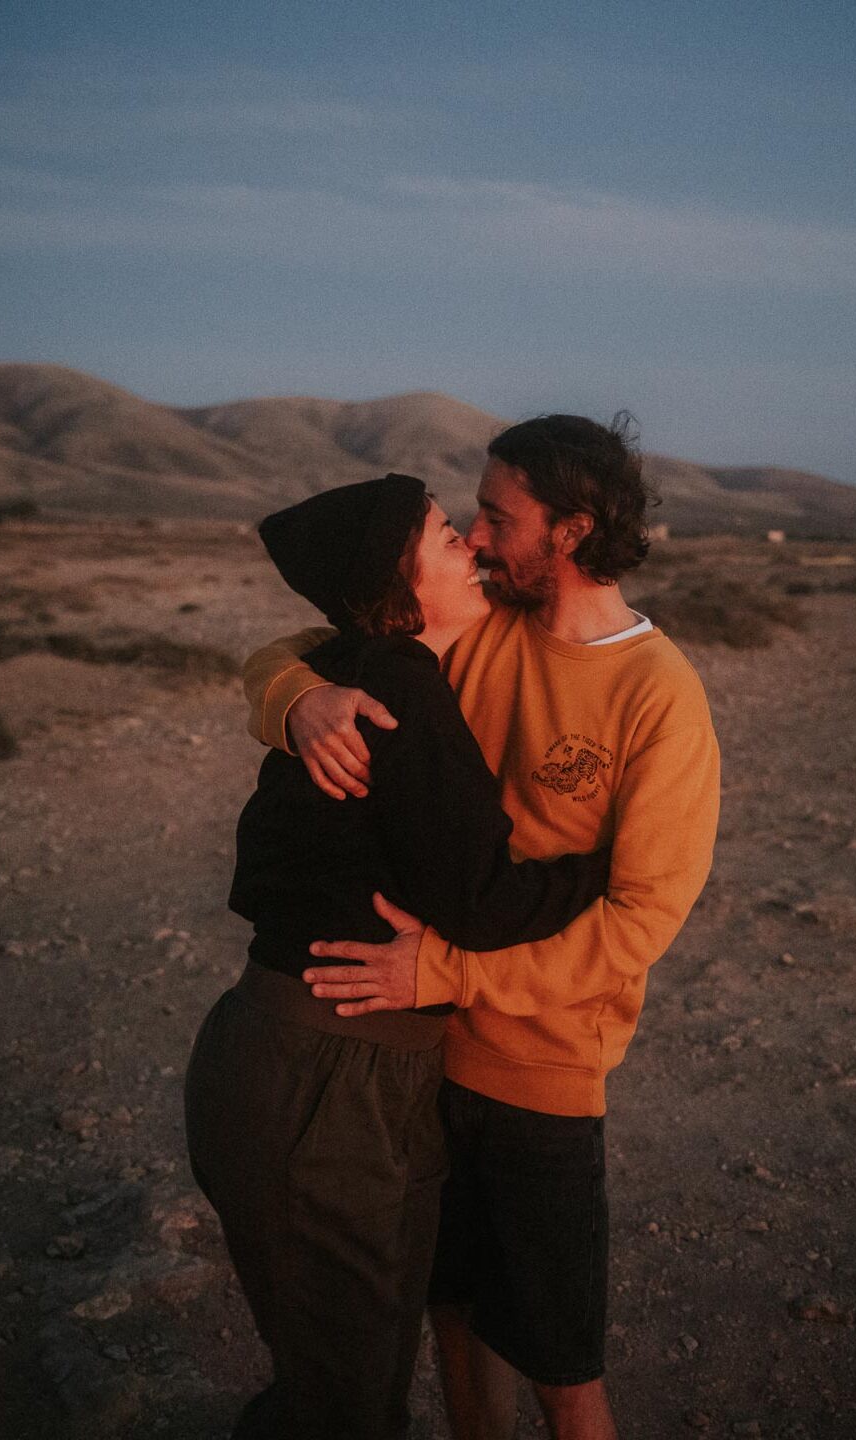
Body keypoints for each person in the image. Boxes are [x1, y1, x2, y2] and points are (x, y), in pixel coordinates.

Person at [244, 415, 721, 1440]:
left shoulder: (659, 694)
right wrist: (298, 704)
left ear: (571, 529)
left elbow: (640, 921)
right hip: (418, 1060)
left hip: (541, 1074)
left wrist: (453, 973)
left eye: (497, 516)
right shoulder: (477, 625)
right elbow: (298, 643)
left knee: (564, 1371)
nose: (476, 531)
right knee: (453, 1323)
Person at [184, 473, 611, 1440]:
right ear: (399, 583)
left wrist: (286, 691)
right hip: (321, 1077)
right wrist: (612, 865)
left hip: (329, 1064)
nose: (470, 541)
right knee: (345, 1399)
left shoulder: (359, 669)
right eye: (445, 535)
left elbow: (286, 656)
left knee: (352, 1371)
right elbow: (485, 901)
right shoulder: (394, 687)